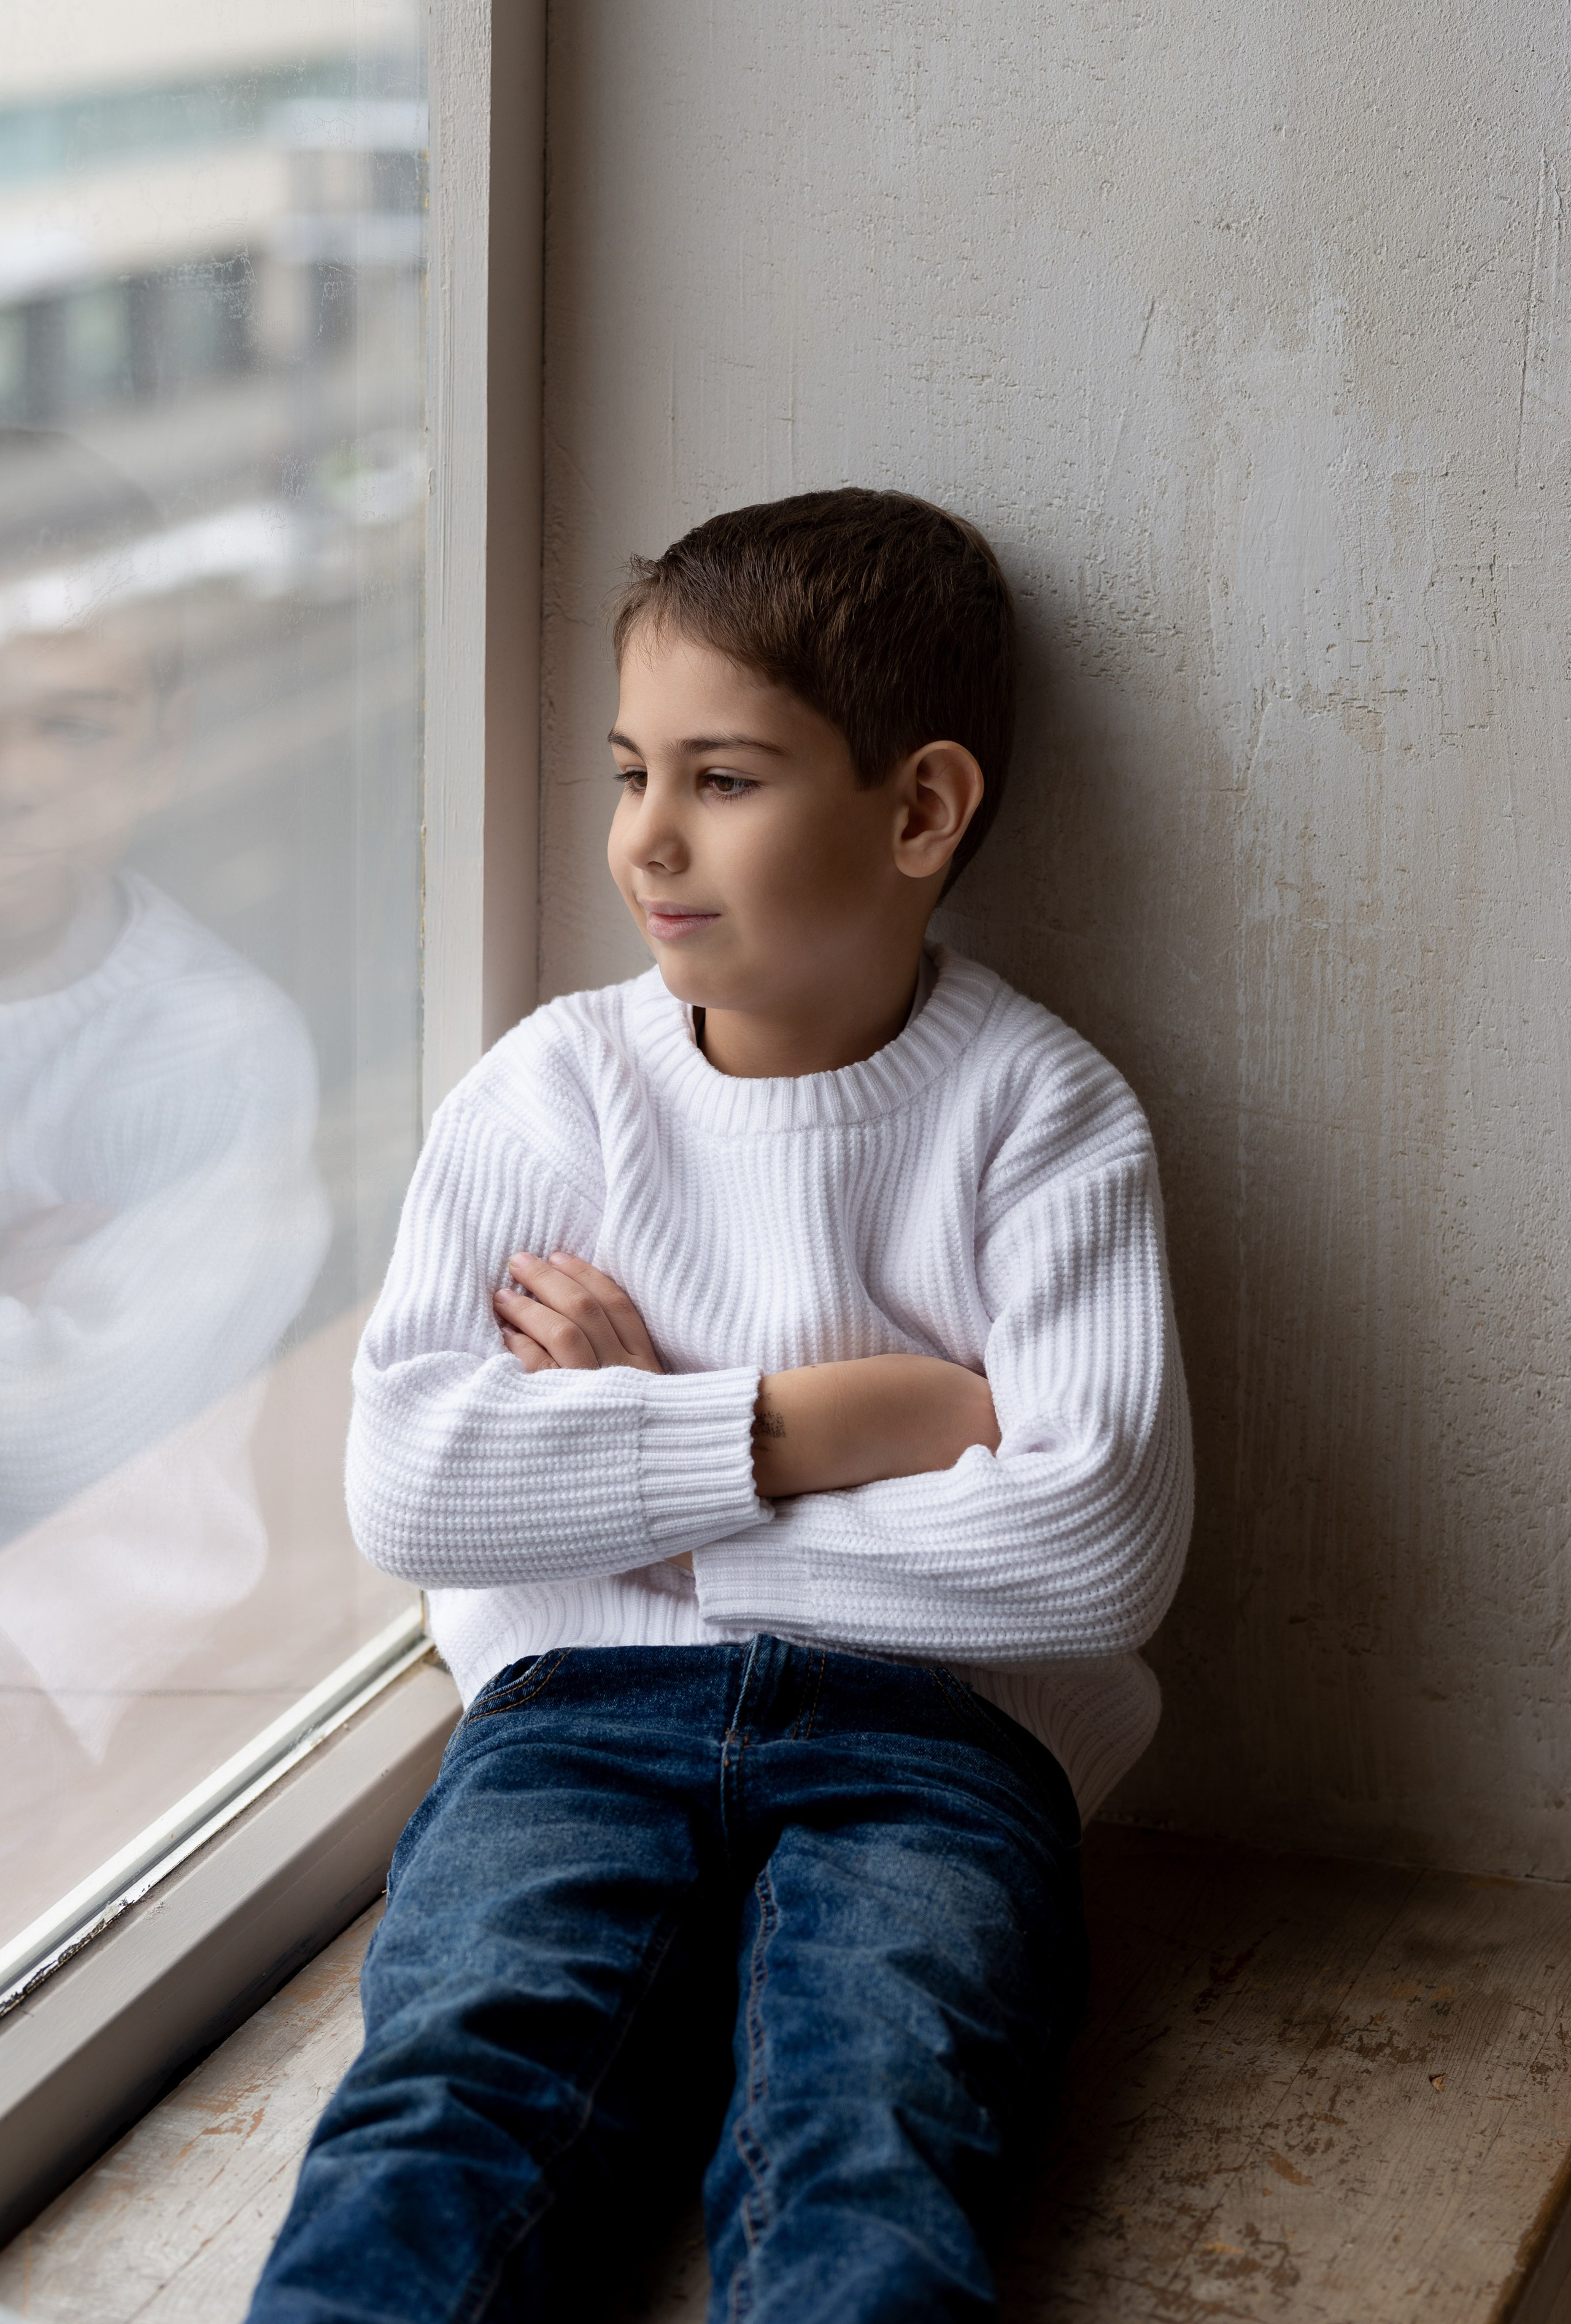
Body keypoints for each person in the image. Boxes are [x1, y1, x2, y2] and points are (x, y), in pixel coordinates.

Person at [248, 488, 1193, 2324]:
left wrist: (638, 1481)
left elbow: (1093, 1548)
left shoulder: (1044, 1113)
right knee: (449, 2106)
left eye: (725, 779)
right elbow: (416, 1485)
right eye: (629, 773)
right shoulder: (550, 1091)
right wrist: (834, 1423)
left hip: (931, 1750)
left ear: (919, 810)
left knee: (874, 2136)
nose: (646, 838)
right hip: (571, 1726)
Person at [0, 429, 328, 1796]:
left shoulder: (208, 1051)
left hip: (73, 1668)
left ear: (162, 750)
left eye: (71, 722)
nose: (14, 774)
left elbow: (63, 1438)